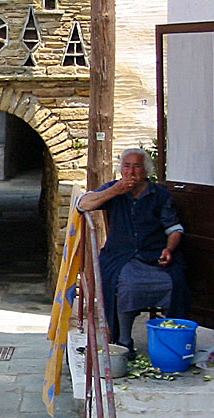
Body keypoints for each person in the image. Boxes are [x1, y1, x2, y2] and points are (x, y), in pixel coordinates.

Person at [77, 148, 189, 359]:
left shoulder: (159, 195)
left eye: (137, 167)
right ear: (121, 170)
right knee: (127, 284)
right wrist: (115, 191)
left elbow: (174, 228)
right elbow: (82, 205)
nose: (131, 172)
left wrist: (169, 248)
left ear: (145, 171)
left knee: (175, 283)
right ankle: (124, 341)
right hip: (121, 256)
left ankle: (168, 339)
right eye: (127, 167)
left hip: (153, 255)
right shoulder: (114, 190)